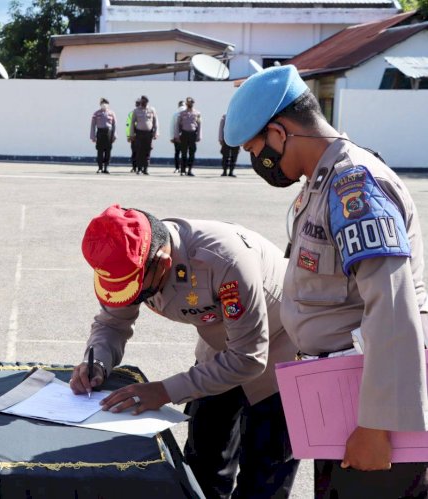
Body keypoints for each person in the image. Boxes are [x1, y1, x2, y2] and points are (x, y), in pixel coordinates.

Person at [224, 65, 428, 498]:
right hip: (341, 398)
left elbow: (392, 307)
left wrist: (376, 426)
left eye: (253, 148)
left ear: (279, 133)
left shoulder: (356, 186)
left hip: (373, 408)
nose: (254, 160)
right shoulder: (320, 182)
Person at [71, 205, 300, 498]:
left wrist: (165, 390)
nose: (133, 296)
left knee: (265, 473)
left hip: (283, 348)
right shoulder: (132, 261)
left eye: (137, 288)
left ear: (163, 263)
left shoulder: (223, 261)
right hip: (221, 345)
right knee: (203, 462)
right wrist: (97, 362)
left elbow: (248, 357)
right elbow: (112, 322)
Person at [129, 96, 159, 175]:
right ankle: (139, 168)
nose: (144, 103)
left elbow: (156, 122)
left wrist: (156, 133)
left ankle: (145, 169)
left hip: (148, 134)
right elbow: (132, 123)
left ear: (147, 102)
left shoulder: (152, 110)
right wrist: (131, 134)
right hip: (139, 133)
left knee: (147, 151)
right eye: (143, 101)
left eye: (145, 102)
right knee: (139, 151)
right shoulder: (136, 111)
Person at [90, 98, 117, 174]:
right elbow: (93, 125)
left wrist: (114, 135)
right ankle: (100, 167)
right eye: (102, 103)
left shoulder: (111, 113)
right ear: (100, 104)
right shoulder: (96, 113)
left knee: (108, 151)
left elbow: (115, 125)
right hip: (100, 133)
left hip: (108, 133)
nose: (104, 105)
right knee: (100, 151)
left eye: (105, 103)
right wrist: (93, 136)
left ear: (108, 104)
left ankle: (106, 167)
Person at [176, 97, 201, 176]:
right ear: (186, 104)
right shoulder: (182, 113)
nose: (190, 104)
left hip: (193, 134)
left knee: (192, 153)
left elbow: (199, 125)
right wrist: (177, 135)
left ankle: (190, 170)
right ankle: (183, 170)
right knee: (183, 153)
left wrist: (199, 136)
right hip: (184, 134)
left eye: (192, 103)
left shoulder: (197, 113)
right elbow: (177, 125)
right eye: (189, 103)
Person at [171, 100, 187, 174]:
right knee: (182, 153)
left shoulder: (175, 114)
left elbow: (172, 126)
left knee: (178, 153)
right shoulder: (176, 115)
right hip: (181, 136)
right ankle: (182, 168)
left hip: (179, 136)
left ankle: (178, 168)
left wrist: (171, 137)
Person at [126, 99, 140, 173]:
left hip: (140, 135)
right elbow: (128, 125)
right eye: (137, 104)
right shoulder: (131, 114)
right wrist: (129, 136)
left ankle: (139, 167)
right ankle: (134, 167)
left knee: (139, 152)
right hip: (134, 136)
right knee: (134, 152)